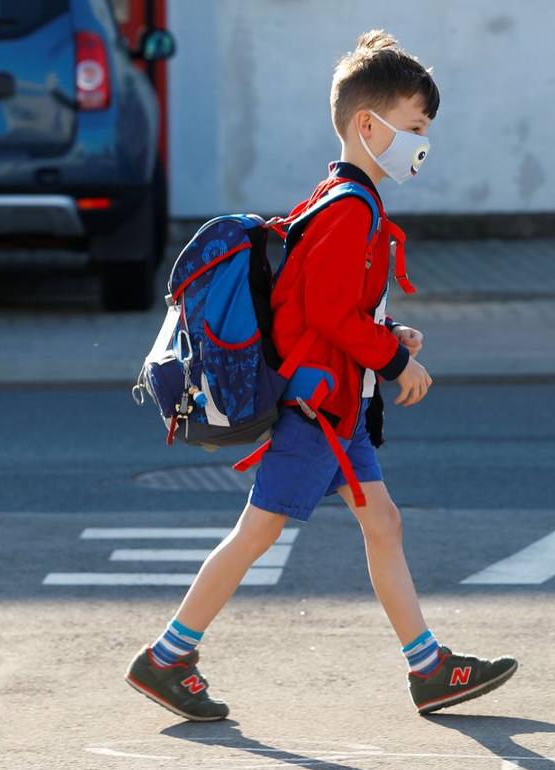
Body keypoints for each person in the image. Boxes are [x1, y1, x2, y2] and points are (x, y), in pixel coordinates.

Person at [124, 30, 517, 721]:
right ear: (368, 125)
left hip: (336, 408)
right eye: (414, 127)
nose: (423, 143)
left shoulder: (338, 198)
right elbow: (330, 313)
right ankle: (167, 656)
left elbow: (318, 306)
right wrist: (396, 361)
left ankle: (429, 668)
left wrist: (388, 334)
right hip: (318, 413)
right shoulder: (350, 209)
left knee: (382, 523)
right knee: (257, 534)